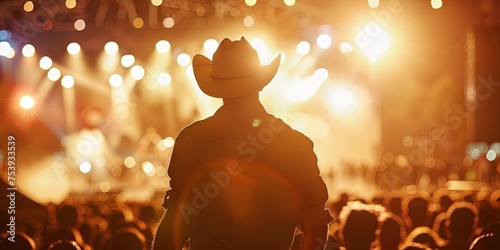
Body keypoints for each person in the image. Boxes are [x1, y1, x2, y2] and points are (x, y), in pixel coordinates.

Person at [152, 37, 333, 250]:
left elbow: (175, 225)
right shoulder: (298, 144)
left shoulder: (193, 139)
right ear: (259, 84)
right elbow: (316, 226)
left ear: (217, 86)